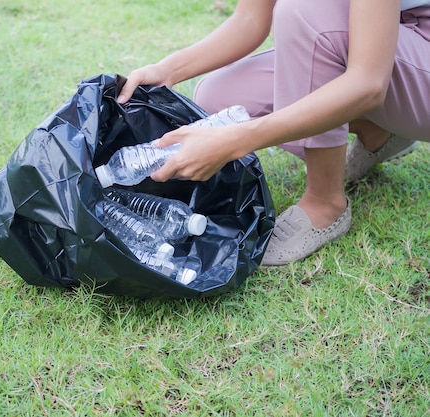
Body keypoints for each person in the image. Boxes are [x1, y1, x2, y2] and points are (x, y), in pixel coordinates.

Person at [116, 0, 430, 266]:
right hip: (386, 42)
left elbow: (369, 84)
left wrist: (236, 141)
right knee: (220, 98)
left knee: (306, 12)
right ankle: (377, 132)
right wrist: (167, 69)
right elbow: (249, 20)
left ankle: (325, 202)